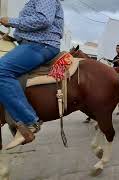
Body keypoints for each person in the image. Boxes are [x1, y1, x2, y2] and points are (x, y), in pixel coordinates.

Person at [0, 0, 64, 149]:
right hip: (34, 43)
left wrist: (11, 21)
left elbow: (43, 20)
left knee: (2, 71)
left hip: (40, 44)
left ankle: (29, 121)